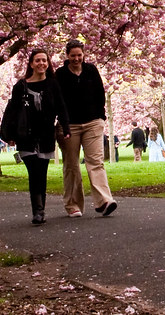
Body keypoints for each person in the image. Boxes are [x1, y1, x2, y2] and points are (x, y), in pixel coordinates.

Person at [1, 49, 70, 225]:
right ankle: (37, 212)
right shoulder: (20, 86)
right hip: (26, 135)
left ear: (48, 64)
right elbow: (12, 111)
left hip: (46, 134)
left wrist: (66, 127)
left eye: (44, 60)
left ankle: (41, 210)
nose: (41, 64)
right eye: (37, 60)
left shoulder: (53, 85)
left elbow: (61, 107)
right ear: (31, 63)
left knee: (42, 172)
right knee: (34, 172)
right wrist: (9, 134)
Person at [57, 39, 118, 218]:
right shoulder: (60, 74)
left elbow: (100, 93)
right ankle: (73, 205)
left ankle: (104, 201)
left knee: (96, 162)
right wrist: (63, 123)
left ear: (84, 55)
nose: (76, 59)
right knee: (72, 165)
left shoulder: (91, 70)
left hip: (92, 122)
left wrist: (101, 117)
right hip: (70, 125)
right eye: (73, 56)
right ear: (67, 56)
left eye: (79, 55)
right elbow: (58, 101)